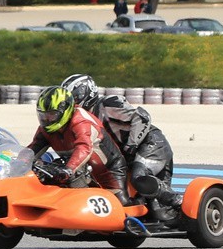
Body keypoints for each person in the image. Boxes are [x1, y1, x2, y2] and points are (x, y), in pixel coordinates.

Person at [60, 73, 180, 222]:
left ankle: (176, 200)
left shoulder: (108, 103)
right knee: (155, 213)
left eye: (74, 97)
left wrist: (132, 143)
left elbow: (142, 117)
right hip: (125, 156)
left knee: (138, 178)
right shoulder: (76, 119)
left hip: (150, 144)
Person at [27, 85, 126, 194]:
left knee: (118, 200)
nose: (47, 119)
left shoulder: (81, 122)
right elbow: (32, 149)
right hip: (80, 170)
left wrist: (69, 169)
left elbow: (84, 147)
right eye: (43, 115)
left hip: (108, 170)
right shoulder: (46, 129)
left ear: (64, 111)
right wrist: (19, 162)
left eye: (52, 114)